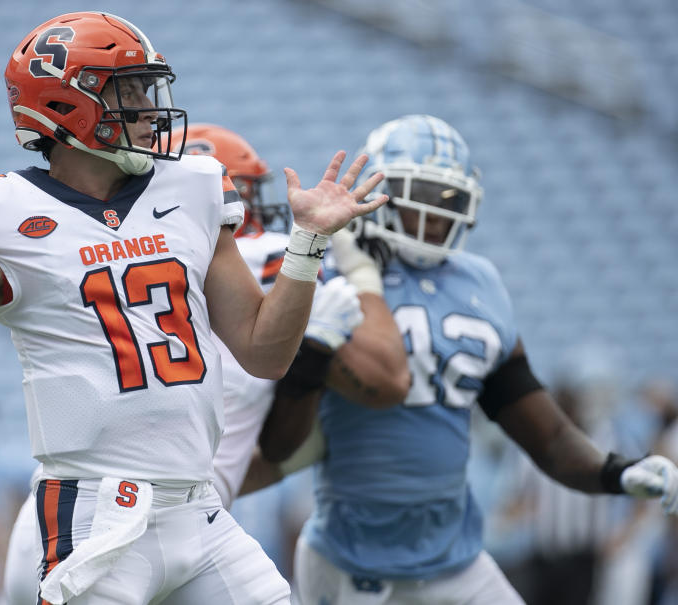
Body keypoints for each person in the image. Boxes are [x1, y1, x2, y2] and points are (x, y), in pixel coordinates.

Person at [0, 11, 388, 604]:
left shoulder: (195, 187)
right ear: (66, 104)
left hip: (198, 505)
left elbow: (263, 352)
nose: (149, 107)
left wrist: (307, 243)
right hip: (97, 513)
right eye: (127, 89)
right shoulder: (2, 214)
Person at [255, 114, 678, 604]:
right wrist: (311, 357)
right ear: (384, 190)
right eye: (425, 196)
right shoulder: (333, 273)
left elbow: (549, 436)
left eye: (449, 200)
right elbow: (280, 441)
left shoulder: (480, 283)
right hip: (355, 565)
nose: (437, 214)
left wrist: (618, 472)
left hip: (458, 562)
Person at [1, 123, 392, 602]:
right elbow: (389, 377)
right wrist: (360, 273)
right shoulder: (268, 256)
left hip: (86, 518)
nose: (243, 210)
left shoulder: (131, 250)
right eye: (236, 194)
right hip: (114, 530)